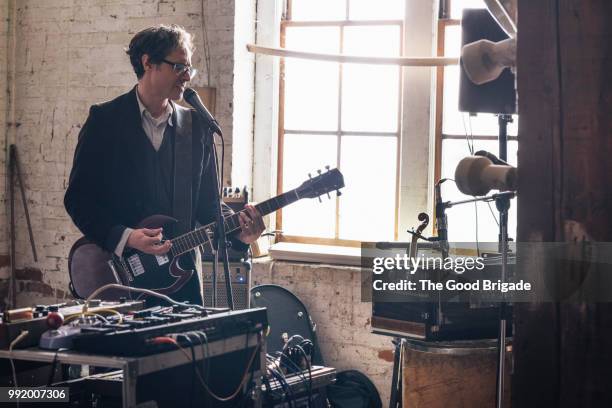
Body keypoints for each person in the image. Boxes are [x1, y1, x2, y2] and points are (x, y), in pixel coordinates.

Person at [64, 24, 264, 304]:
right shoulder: (104, 121)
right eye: (179, 67)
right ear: (148, 63)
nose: (186, 77)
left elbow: (208, 210)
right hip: (120, 281)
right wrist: (127, 237)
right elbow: (78, 200)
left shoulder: (197, 128)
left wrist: (242, 235)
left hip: (181, 282)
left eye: (189, 69)